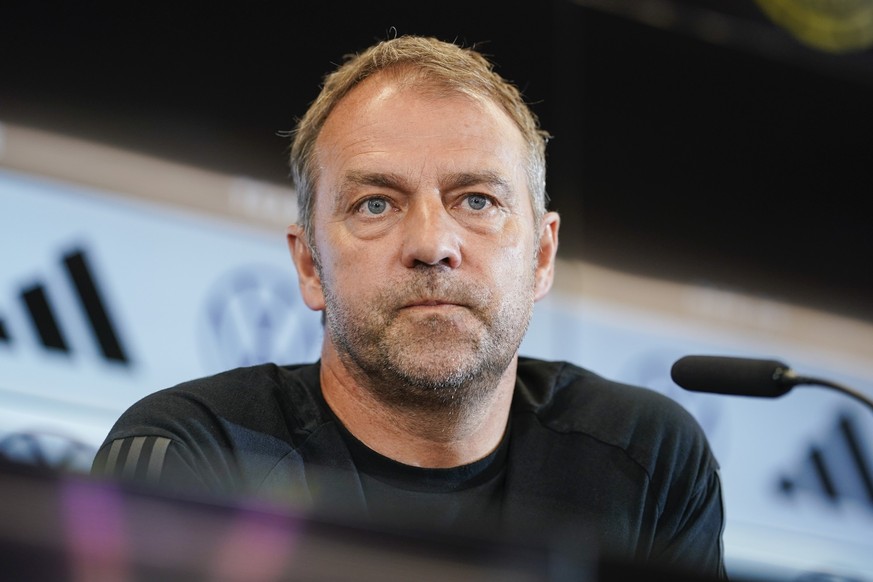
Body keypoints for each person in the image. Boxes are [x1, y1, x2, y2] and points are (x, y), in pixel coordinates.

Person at [91, 34, 726, 578]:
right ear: (310, 264)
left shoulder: (648, 460)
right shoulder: (191, 454)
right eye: (376, 204)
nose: (432, 245)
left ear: (541, 256)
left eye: (476, 200)